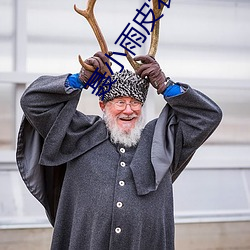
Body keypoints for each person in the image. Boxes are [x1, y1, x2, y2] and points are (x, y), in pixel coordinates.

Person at [16, 52, 222, 250]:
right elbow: (32, 102)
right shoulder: (79, 132)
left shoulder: (163, 140)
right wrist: (79, 79)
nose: (128, 110)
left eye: (135, 103)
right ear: (103, 105)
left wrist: (165, 85)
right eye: (120, 102)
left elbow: (208, 116)